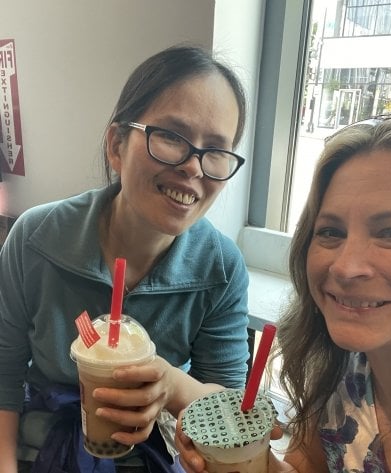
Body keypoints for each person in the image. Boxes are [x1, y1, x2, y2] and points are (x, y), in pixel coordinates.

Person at [0, 44, 251, 473]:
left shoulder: (221, 267)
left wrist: (170, 384)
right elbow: (3, 378)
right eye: (172, 137)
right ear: (117, 145)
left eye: (215, 151)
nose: (194, 168)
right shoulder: (35, 239)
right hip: (37, 446)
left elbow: (228, 415)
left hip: (152, 454)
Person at [175, 115, 391, 472]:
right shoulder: (338, 367)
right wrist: (251, 462)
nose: (345, 267)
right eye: (331, 231)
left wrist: (167, 382)